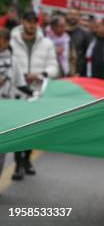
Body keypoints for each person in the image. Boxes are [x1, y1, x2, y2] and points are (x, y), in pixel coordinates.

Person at [9, 10, 59, 180]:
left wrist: (41, 75)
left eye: (34, 22)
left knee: (33, 129)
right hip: (16, 91)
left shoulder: (47, 44)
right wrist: (19, 74)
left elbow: (54, 67)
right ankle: (17, 163)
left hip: (36, 91)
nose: (31, 25)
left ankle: (27, 159)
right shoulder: (12, 41)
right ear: (22, 21)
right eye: (28, 21)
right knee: (17, 128)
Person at [0, 27, 34, 181]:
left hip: (6, 110)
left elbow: (20, 84)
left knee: (1, 149)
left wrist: (35, 94)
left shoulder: (14, 61)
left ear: (7, 42)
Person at [65, 7, 91, 76]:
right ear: (66, 15)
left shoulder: (85, 34)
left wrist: (80, 72)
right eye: (70, 14)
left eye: (75, 15)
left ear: (79, 17)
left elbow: (86, 56)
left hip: (76, 73)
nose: (72, 17)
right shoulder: (59, 31)